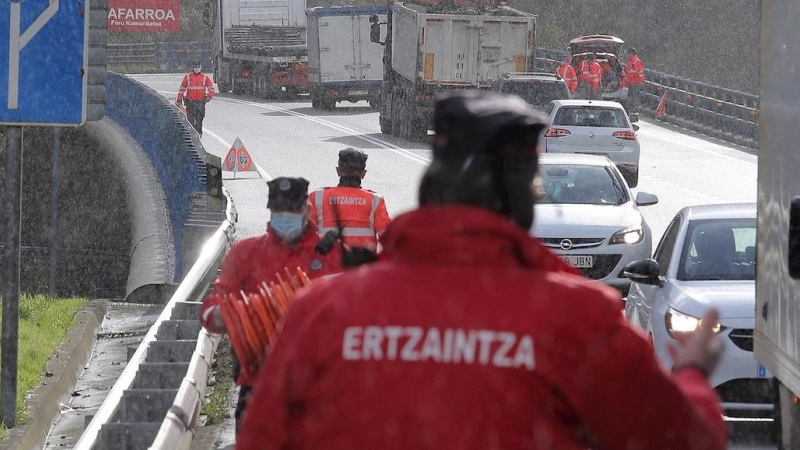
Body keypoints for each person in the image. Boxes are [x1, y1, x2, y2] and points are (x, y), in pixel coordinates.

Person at [236, 91, 727, 450]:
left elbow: (263, 439)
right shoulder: (578, 320)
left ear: (430, 187)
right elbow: (682, 438)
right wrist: (691, 375)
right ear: (519, 201)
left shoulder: (322, 312)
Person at [199, 176, 344, 430]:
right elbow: (211, 310)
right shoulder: (246, 254)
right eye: (279, 210)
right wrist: (232, 315)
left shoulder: (332, 255)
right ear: (270, 211)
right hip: (259, 389)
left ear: (306, 210)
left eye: (292, 209)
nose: (285, 216)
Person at [308, 148, 391, 252]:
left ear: (338, 171)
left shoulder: (317, 197)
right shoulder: (375, 200)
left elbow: (306, 234)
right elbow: (389, 239)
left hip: (328, 262)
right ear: (363, 174)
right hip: (362, 264)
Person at [176, 60, 215, 137]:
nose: (197, 69)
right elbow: (182, 89)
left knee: (199, 118)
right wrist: (179, 100)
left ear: (200, 67)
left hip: (201, 102)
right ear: (193, 68)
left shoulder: (204, 77)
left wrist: (209, 97)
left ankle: (198, 134)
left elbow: (211, 88)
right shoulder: (188, 77)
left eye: (198, 67)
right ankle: (191, 135)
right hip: (191, 102)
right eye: (196, 67)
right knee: (190, 119)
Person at [623, 47, 646, 113]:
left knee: (634, 96)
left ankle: (634, 109)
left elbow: (638, 72)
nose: (628, 55)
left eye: (629, 54)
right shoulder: (630, 61)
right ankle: (631, 109)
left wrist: (639, 81)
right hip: (631, 82)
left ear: (632, 53)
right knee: (631, 96)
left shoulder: (636, 61)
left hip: (635, 82)